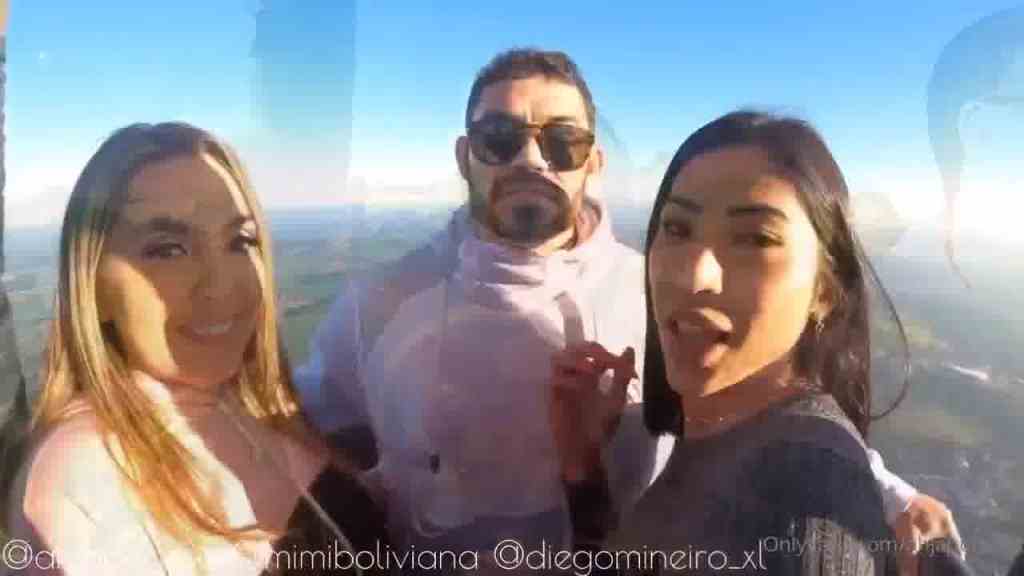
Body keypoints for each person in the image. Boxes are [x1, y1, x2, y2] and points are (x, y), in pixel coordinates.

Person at [295, 48, 957, 563]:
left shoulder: (659, 289)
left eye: (562, 142)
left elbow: (759, 403)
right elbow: (298, 427)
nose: (532, 159)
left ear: (593, 163)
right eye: (500, 137)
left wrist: (887, 494)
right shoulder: (377, 304)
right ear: (466, 157)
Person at [553, 110, 972, 575]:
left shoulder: (806, 503)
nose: (694, 275)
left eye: (755, 239)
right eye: (677, 228)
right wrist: (583, 470)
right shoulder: (722, 431)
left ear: (826, 289)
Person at [0, 123, 387, 575]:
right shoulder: (80, 481)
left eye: (240, 241)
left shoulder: (256, 405)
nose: (220, 286)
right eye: (167, 249)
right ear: (94, 287)